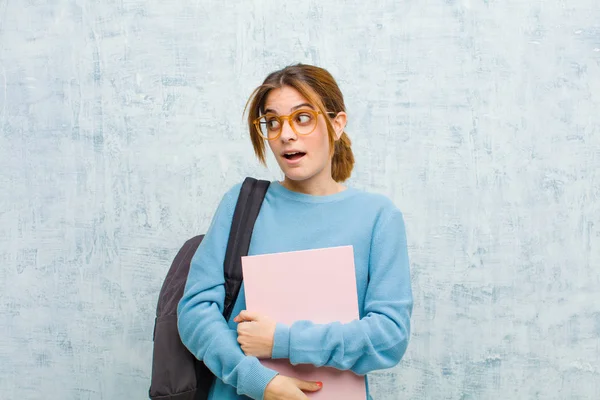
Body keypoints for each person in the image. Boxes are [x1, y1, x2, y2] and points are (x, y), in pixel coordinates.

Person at [177, 63, 413, 400]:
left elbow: (390, 335)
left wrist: (281, 340)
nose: (285, 134)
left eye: (302, 118)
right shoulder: (242, 204)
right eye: (273, 122)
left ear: (337, 124)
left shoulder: (378, 217)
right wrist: (260, 381)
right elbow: (195, 313)